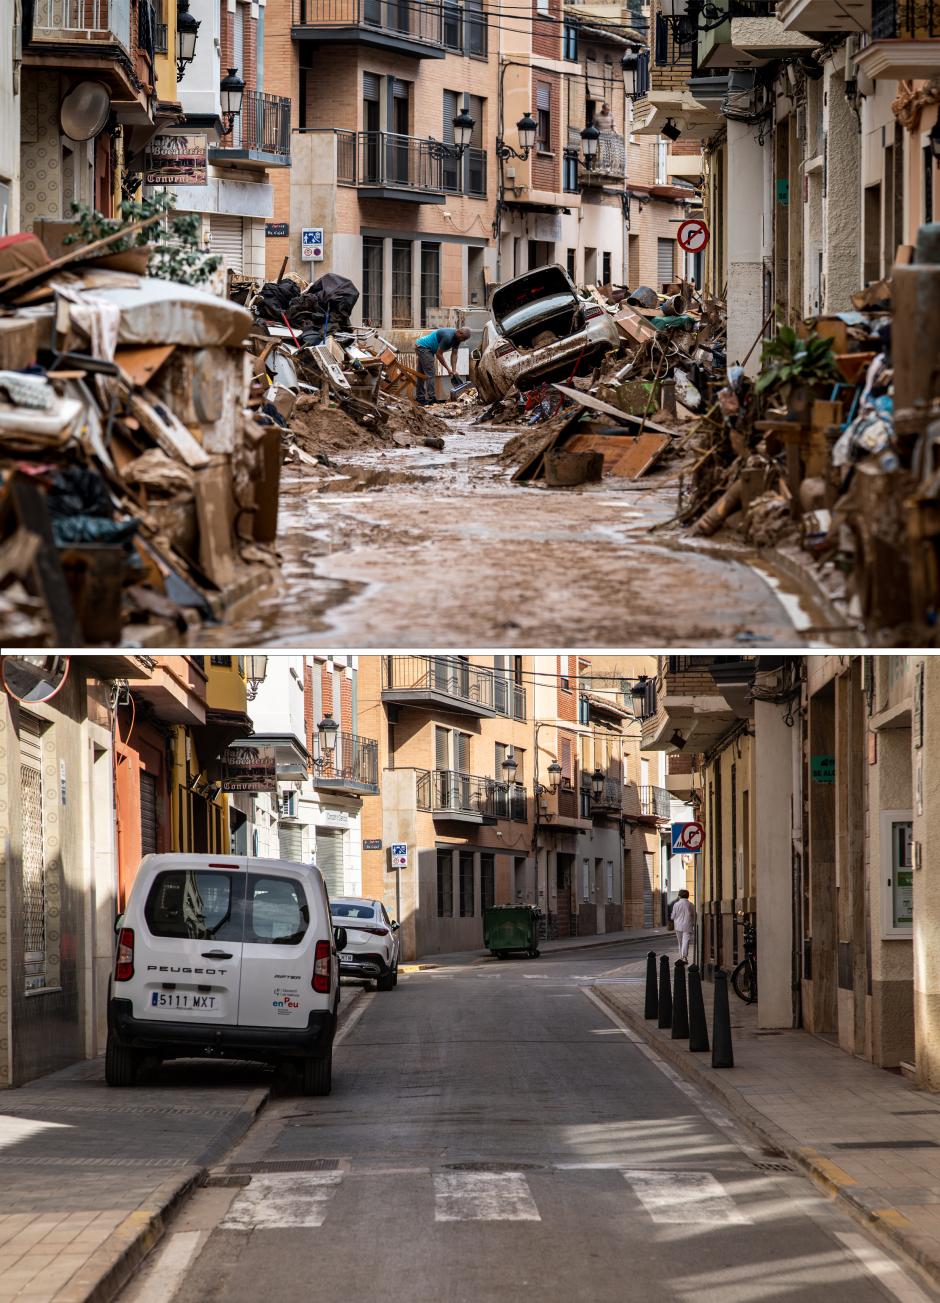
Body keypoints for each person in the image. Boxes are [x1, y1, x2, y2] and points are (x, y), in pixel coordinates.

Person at [414, 326, 471, 405]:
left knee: (421, 374)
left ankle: (420, 398)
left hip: (426, 347)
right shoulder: (448, 337)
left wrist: (454, 370)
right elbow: (439, 354)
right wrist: (448, 369)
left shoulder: (458, 339)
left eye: (464, 340)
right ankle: (431, 399)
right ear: (459, 333)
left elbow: (454, 354)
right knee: (430, 373)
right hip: (424, 348)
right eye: (463, 338)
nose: (463, 341)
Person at [670, 889, 694, 962]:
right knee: (686, 941)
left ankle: (682, 957)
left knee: (680, 942)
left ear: (679, 896)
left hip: (678, 926)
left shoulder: (676, 904)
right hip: (688, 925)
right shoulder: (690, 904)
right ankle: (684, 956)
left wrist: (673, 917)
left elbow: (672, 916)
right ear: (687, 896)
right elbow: (694, 915)